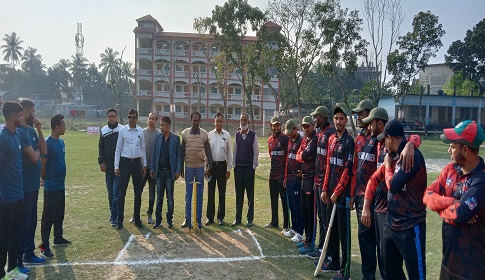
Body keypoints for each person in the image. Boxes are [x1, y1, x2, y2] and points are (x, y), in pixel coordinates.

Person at [365, 119, 427, 280]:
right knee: (389, 271)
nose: (384, 144)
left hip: (410, 225)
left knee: (416, 274)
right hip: (391, 225)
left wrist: (387, 165)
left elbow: (393, 185)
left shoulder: (411, 156)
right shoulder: (396, 155)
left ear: (390, 138)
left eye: (385, 139)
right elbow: (373, 179)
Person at [423, 120, 485, 280]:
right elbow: (427, 195)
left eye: (453, 145)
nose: (449, 150)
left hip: (473, 271)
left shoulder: (481, 179)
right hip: (448, 263)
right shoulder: (451, 169)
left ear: (465, 149)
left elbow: (460, 216)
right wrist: (451, 203)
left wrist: (443, 206)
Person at [320, 107, 355, 280]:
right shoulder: (332, 139)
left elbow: (347, 171)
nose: (338, 121)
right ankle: (332, 261)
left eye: (341, 118)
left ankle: (345, 270)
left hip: (342, 195)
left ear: (346, 121)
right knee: (330, 228)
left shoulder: (349, 142)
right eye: (336, 118)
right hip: (330, 193)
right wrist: (325, 189)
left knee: (343, 233)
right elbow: (328, 166)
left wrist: (337, 192)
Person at [17, 100, 47, 273]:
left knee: (31, 221)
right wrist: (36, 150)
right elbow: (35, 157)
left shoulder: (31, 131)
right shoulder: (21, 132)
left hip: (33, 185)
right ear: (26, 111)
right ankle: (18, 260)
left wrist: (40, 130)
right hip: (24, 186)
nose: (35, 114)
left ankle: (29, 253)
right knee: (23, 223)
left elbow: (44, 150)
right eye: (33, 111)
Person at [0, 102, 28, 279]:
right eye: (19, 115)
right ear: (12, 116)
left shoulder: (17, 134)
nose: (22, 118)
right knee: (3, 237)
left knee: (15, 236)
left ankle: (12, 270)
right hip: (5, 197)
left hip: (19, 195)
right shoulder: (2, 137)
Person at [39, 114, 71, 259]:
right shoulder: (47, 142)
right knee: (48, 216)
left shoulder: (62, 142)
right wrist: (43, 177)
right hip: (51, 186)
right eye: (63, 125)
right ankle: (44, 245)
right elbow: (43, 164)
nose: (65, 127)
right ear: (57, 127)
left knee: (59, 214)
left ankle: (58, 237)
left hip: (60, 185)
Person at [307, 105, 335, 260]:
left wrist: (324, 184)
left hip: (326, 185)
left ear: (323, 117)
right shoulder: (320, 132)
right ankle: (321, 247)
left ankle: (328, 253)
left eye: (316, 117)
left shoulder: (330, 132)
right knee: (320, 217)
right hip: (317, 183)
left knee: (326, 220)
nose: (314, 119)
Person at [114, 109, 147, 229]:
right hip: (125, 162)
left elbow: (142, 148)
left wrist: (144, 165)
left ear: (137, 118)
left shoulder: (140, 131)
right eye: (129, 117)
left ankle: (137, 218)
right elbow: (118, 149)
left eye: (133, 117)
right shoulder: (122, 131)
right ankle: (119, 220)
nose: (131, 119)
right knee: (121, 193)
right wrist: (116, 166)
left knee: (138, 192)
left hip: (137, 162)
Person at [180, 111, 213, 230]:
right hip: (188, 167)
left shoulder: (204, 134)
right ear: (190, 120)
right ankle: (187, 219)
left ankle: (198, 219)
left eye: (197, 120)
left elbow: (208, 151)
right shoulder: (184, 134)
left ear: (200, 120)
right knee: (188, 194)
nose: (195, 122)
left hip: (200, 168)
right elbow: (181, 152)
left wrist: (210, 165)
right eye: (193, 120)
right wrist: (180, 168)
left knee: (199, 194)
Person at [150, 116, 181, 229]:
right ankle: (158, 220)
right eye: (160, 125)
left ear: (168, 126)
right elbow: (154, 154)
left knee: (170, 198)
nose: (161, 127)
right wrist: (152, 169)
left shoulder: (176, 139)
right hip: (159, 173)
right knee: (159, 198)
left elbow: (179, 156)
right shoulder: (158, 138)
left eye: (163, 125)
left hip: (169, 173)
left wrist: (178, 170)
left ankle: (169, 219)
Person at [231, 112, 259, 227]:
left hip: (248, 169)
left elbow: (256, 152)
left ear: (248, 121)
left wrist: (253, 167)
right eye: (241, 120)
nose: (243, 122)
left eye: (245, 120)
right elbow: (235, 151)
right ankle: (238, 219)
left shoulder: (253, 135)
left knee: (250, 195)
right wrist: (234, 165)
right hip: (238, 169)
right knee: (239, 195)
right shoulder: (237, 135)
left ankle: (249, 219)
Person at [295, 116, 317, 254]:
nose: (305, 129)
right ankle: (306, 240)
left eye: (307, 126)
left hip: (311, 179)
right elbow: (299, 154)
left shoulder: (315, 139)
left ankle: (310, 242)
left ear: (313, 125)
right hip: (304, 177)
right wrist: (303, 156)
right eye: (303, 127)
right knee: (304, 211)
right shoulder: (305, 139)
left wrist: (303, 156)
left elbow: (303, 155)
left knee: (310, 213)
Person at [206, 112, 232, 226]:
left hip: (222, 166)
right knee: (210, 193)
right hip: (211, 167)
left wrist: (229, 169)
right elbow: (206, 152)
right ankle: (210, 217)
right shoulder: (210, 135)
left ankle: (220, 217)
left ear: (223, 122)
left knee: (222, 192)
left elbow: (230, 153)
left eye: (221, 121)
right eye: (217, 121)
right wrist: (206, 167)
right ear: (214, 122)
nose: (219, 123)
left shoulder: (227, 135)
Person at [98, 108, 122, 227]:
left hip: (118, 167)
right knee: (110, 194)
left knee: (116, 193)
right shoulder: (104, 130)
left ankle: (114, 217)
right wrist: (101, 162)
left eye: (113, 116)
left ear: (116, 117)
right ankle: (114, 214)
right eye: (109, 116)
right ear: (107, 117)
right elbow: (101, 148)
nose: (111, 118)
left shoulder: (122, 129)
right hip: (108, 168)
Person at [266, 116, 290, 232]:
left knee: (284, 201)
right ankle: (274, 222)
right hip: (272, 174)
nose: (276, 127)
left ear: (280, 126)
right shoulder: (270, 140)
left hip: (282, 175)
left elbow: (288, 157)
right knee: (273, 199)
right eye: (274, 125)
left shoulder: (285, 139)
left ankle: (286, 225)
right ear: (271, 126)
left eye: (278, 125)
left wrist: (285, 175)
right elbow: (271, 155)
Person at [283, 119, 305, 243]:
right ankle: (294, 228)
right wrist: (286, 176)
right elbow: (288, 160)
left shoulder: (301, 141)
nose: (289, 135)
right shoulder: (289, 142)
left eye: (291, 132)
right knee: (291, 205)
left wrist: (301, 172)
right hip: (290, 178)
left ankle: (300, 232)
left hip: (297, 179)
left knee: (297, 206)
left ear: (295, 129)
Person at [143, 113, 160, 224]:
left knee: (152, 193)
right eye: (150, 118)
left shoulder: (158, 134)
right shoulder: (142, 132)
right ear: (147, 119)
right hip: (142, 168)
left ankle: (149, 214)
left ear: (156, 121)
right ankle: (135, 215)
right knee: (138, 191)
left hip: (153, 170)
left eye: (153, 119)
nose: (151, 120)